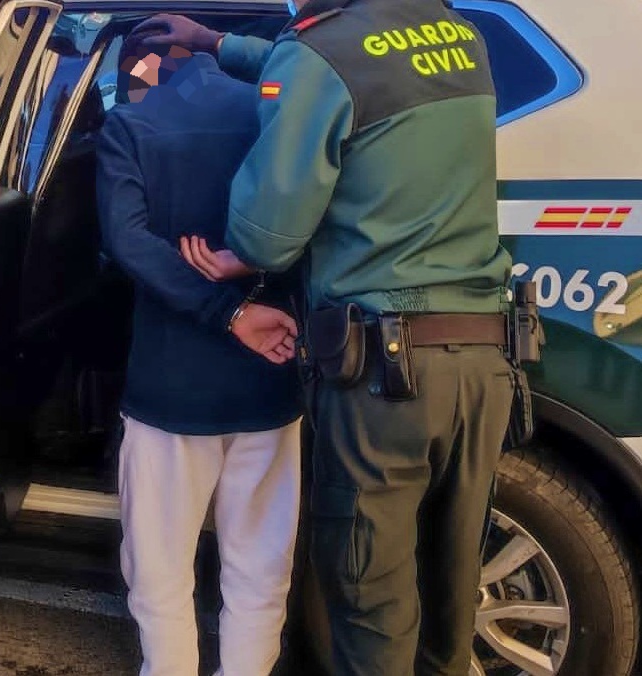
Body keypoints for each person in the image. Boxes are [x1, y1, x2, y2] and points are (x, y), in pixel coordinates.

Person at [138, 1, 516, 674]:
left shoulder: (320, 53)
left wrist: (238, 259)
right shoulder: (461, 35)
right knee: (450, 591)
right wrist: (217, 42)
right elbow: (342, 69)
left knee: (370, 595)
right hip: (485, 362)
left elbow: (269, 231)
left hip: (389, 380)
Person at [96, 28, 303, 676]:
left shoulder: (129, 125)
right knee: (260, 570)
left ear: (143, 69)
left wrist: (224, 310)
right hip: (268, 382)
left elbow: (127, 243)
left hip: (169, 393)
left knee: (159, 571)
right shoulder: (271, 117)